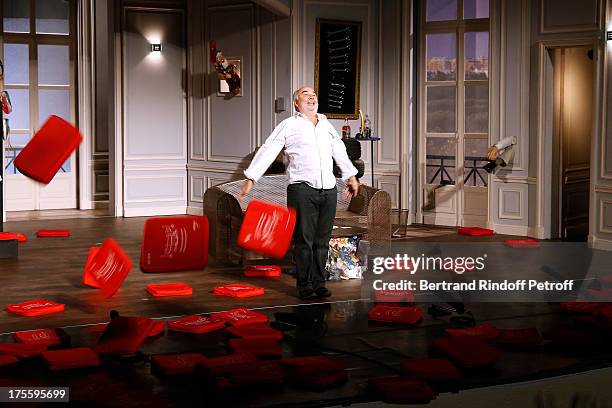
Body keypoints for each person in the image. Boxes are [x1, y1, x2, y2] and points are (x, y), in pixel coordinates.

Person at [239, 86, 359, 299]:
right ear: (297, 103)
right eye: (305, 94)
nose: (311, 97)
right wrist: (251, 177)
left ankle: (319, 283)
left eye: (314, 94)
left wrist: (351, 177)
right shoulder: (289, 125)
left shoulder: (325, 125)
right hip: (302, 190)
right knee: (305, 241)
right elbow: (269, 148)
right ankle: (305, 286)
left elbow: (339, 151)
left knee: (322, 241)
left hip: (328, 190)